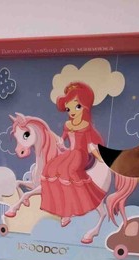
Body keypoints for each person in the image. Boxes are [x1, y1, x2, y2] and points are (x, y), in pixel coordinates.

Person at [41, 82, 106, 227]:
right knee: (50, 168)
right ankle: (60, 206)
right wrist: (60, 143)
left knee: (68, 170)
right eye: (68, 108)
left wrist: (98, 156)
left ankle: (70, 210)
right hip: (70, 152)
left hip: (80, 155)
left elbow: (89, 145)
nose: (72, 112)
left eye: (77, 107)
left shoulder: (86, 126)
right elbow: (62, 139)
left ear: (85, 107)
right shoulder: (67, 125)